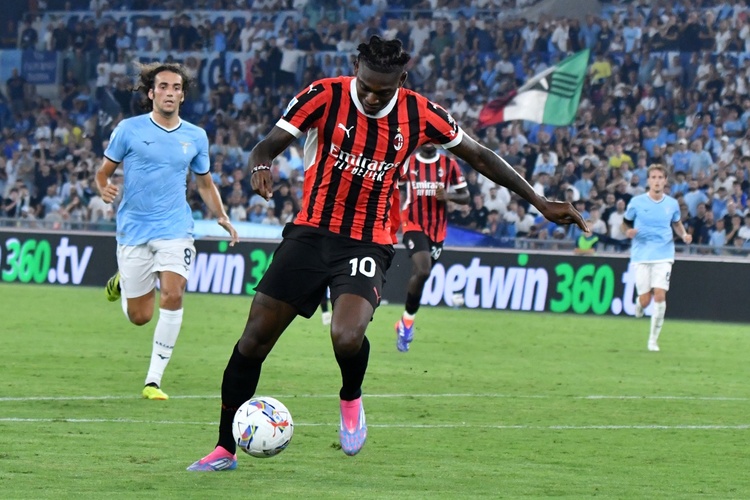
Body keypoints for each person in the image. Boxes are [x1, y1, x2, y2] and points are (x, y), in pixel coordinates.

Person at [187, 36, 586, 471]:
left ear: (403, 80)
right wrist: (261, 165)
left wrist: (539, 201)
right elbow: (266, 145)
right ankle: (225, 448)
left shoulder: (422, 113)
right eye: (366, 87)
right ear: (355, 69)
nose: (373, 97)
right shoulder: (323, 95)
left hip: (367, 240)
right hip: (309, 234)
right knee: (252, 342)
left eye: (384, 90)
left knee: (346, 336)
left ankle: (351, 397)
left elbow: (481, 156)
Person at [95, 62, 239, 401]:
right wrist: (103, 188)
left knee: (173, 294)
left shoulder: (196, 136)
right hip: (134, 229)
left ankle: (153, 381)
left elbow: (204, 183)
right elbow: (103, 173)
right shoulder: (128, 129)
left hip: (175, 227)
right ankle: (122, 283)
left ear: (183, 96)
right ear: (151, 93)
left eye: (176, 88)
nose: (170, 93)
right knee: (140, 317)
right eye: (163, 87)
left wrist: (221, 215)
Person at [394, 143, 469, 352]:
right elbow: (391, 183)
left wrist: (449, 196)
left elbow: (465, 196)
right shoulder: (408, 162)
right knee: (424, 270)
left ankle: (405, 322)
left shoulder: (449, 164)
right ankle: (407, 325)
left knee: (420, 276)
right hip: (412, 224)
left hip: (437, 231)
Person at [622, 164, 691, 352]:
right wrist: (628, 231)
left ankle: (653, 340)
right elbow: (625, 223)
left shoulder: (672, 204)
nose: (657, 181)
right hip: (642, 255)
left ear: (665, 180)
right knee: (645, 300)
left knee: (660, 295)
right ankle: (640, 304)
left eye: (660, 177)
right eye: (653, 177)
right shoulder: (636, 202)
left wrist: (684, 235)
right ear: (648, 180)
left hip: (664, 254)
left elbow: (677, 224)